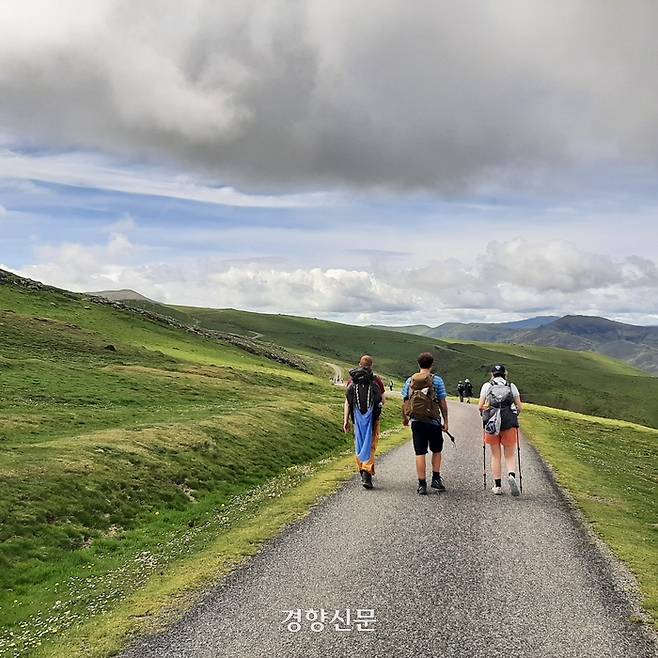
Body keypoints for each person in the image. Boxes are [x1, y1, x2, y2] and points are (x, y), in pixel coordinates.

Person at [402, 352, 449, 495]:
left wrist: (405, 418)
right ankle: (436, 478)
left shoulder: (410, 380)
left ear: (419, 364)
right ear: (431, 364)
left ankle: (422, 484)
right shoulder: (437, 380)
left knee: (420, 452)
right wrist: (446, 420)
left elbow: (405, 401)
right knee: (436, 450)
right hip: (434, 421)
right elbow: (442, 402)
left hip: (416, 421)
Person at [479, 364, 522, 496]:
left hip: (492, 424)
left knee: (495, 455)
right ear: (505, 374)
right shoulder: (511, 386)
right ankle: (511, 474)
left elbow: (480, 406)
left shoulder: (487, 386)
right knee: (509, 454)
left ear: (492, 374)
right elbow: (519, 407)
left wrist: (486, 415)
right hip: (508, 422)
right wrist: (514, 414)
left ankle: (497, 486)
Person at [343, 355, 385, 489]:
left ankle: (362, 469)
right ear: (371, 366)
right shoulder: (376, 380)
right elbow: (382, 400)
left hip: (356, 418)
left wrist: (346, 420)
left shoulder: (352, 380)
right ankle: (367, 473)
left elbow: (347, 402)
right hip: (372, 418)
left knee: (359, 443)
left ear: (359, 364)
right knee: (371, 444)